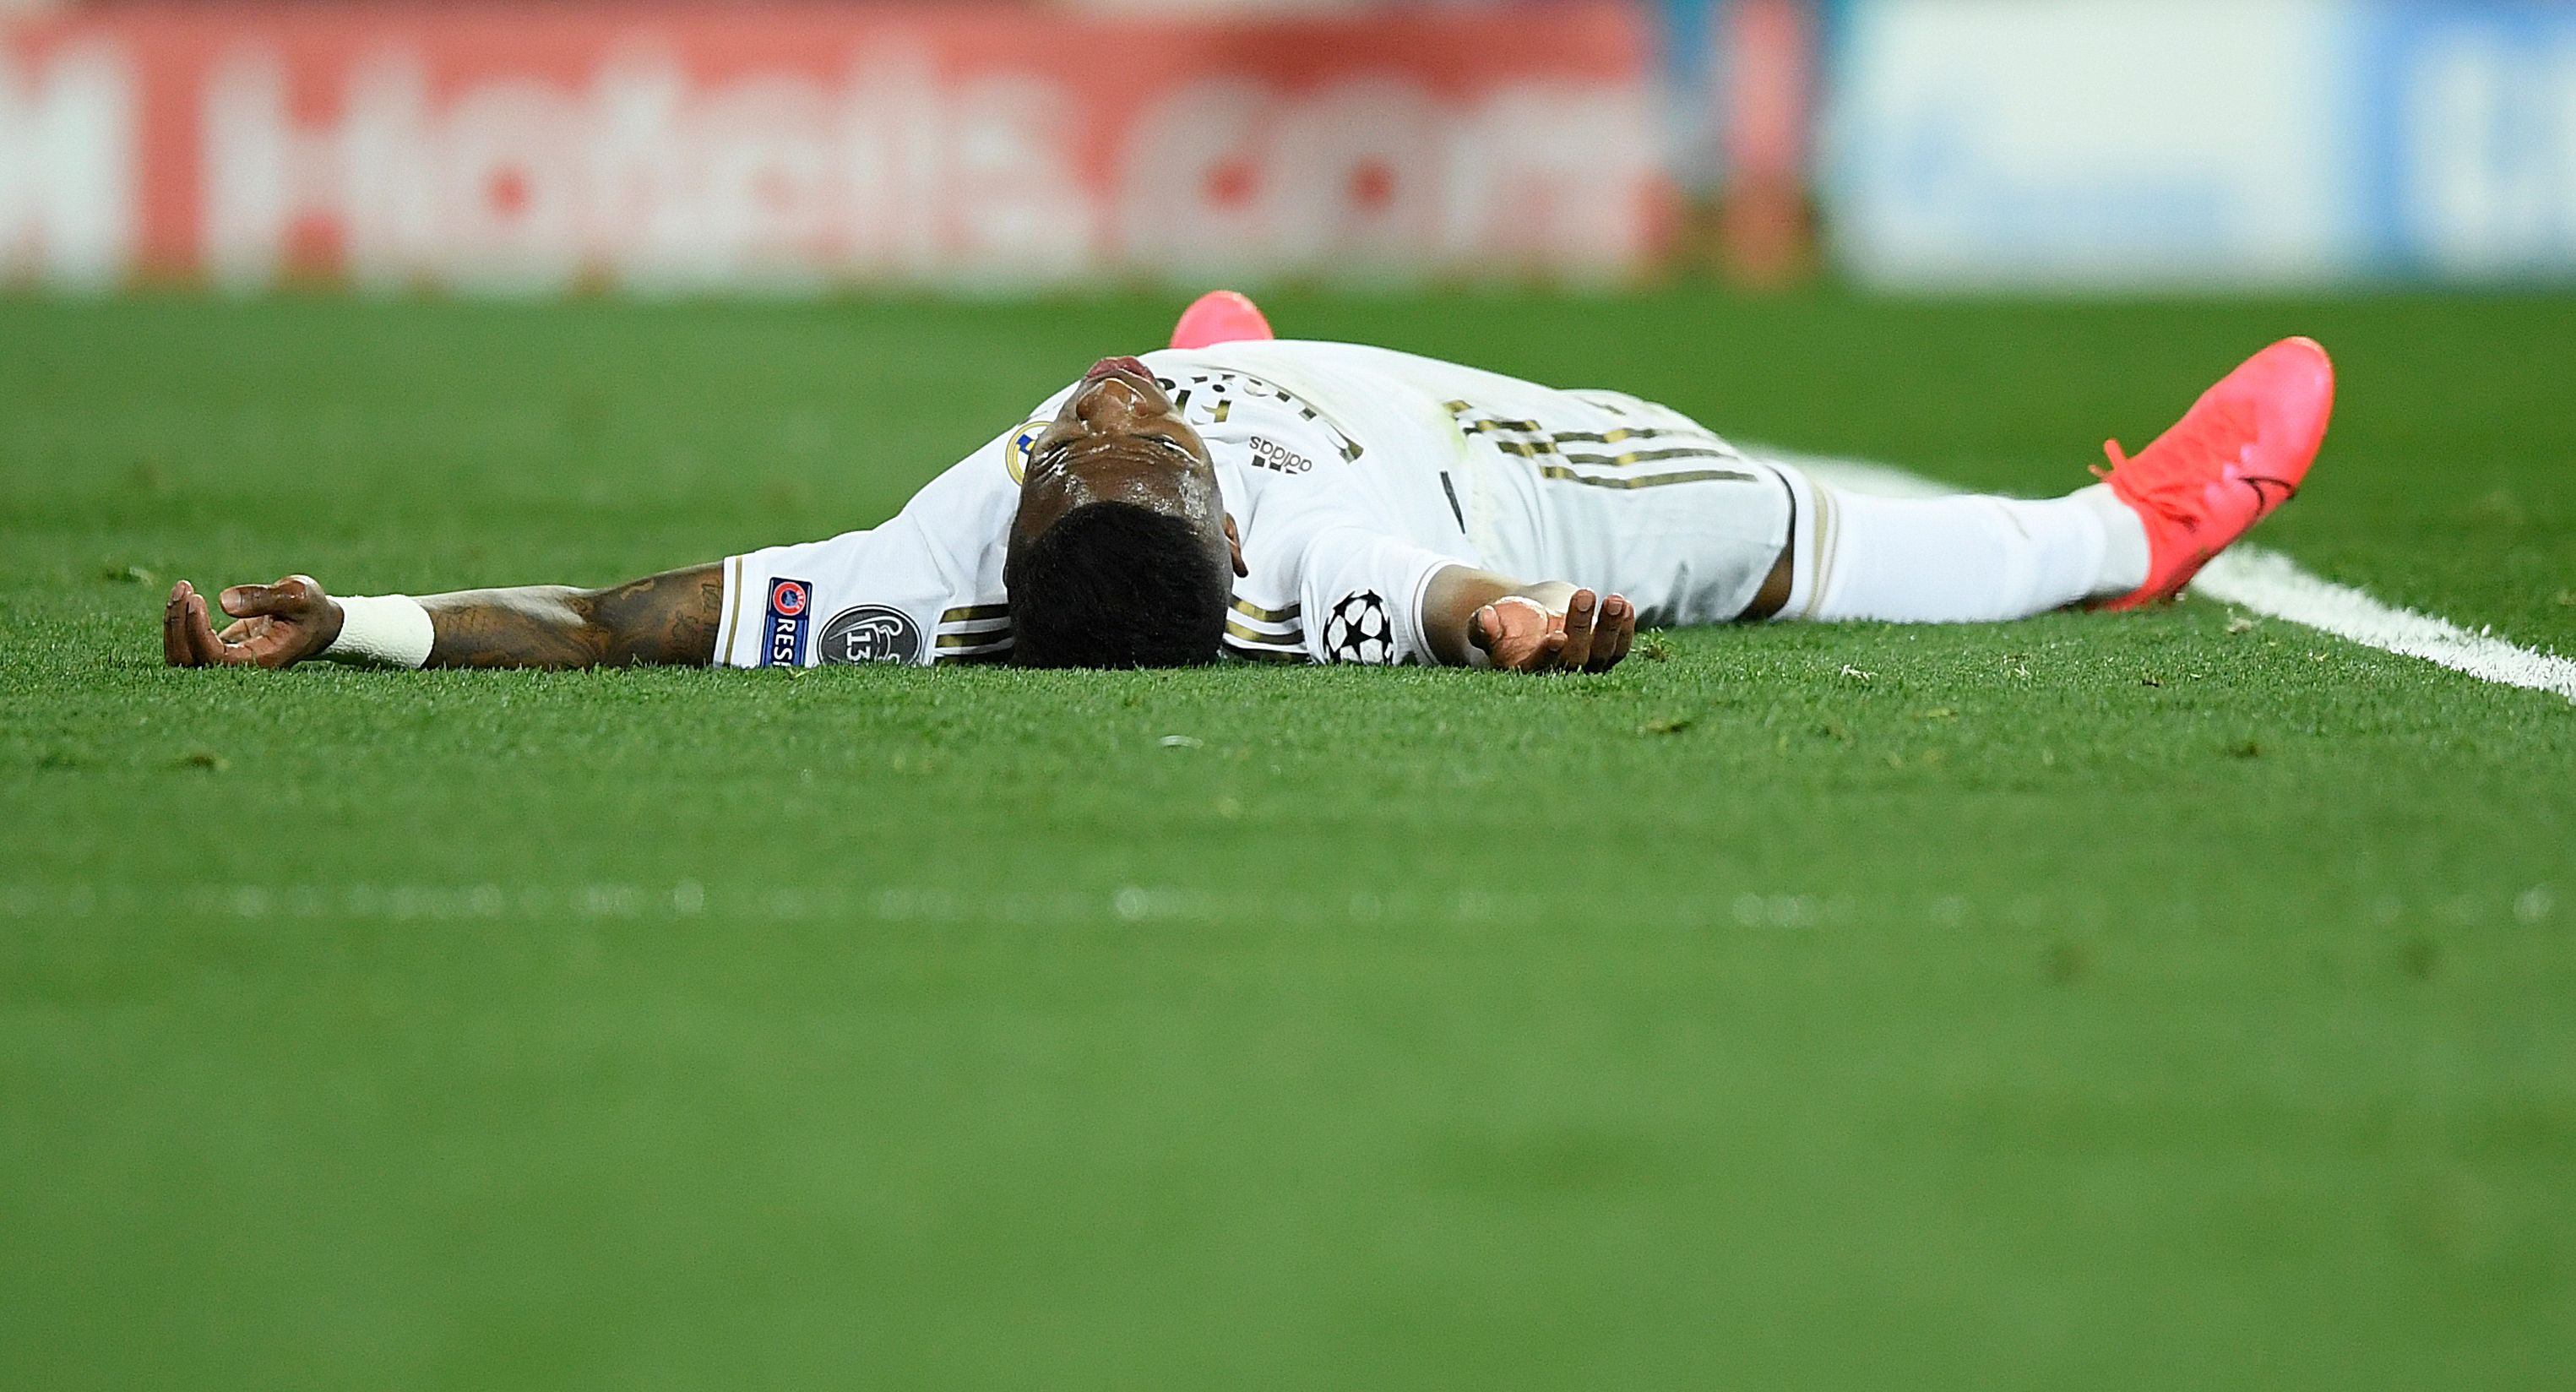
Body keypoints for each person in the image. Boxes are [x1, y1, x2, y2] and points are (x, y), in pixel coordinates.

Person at [160, 291, 2334, 677]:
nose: (1095, 409)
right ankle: (2127, 537)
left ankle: (1249, 348)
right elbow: (1450, 610)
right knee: (1765, 527)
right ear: (1211, 526)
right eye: (1134, 438)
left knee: (1215, 346)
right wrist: (1540, 619)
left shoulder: (951, 556)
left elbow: (653, 614)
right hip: (1486, 460)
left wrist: (359, 621)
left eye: (1096, 435)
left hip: (1292, 378)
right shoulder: (1306, 551)